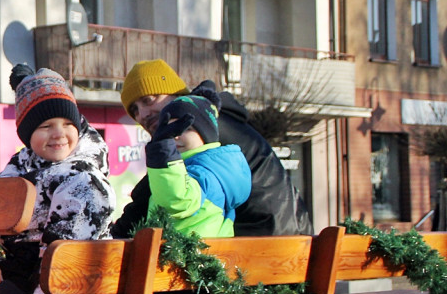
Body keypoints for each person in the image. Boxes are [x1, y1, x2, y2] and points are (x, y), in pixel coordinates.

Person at [0, 64, 115, 294]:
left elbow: (65, 265)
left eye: (67, 124)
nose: (59, 134)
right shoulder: (23, 166)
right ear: (28, 136)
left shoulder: (83, 182)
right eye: (45, 126)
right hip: (22, 282)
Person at [111, 59, 312, 239]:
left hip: (261, 244)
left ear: (176, 94)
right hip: (290, 238)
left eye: (149, 100)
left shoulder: (203, 128)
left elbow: (160, 189)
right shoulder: (216, 120)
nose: (143, 114)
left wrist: (113, 237)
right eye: (135, 110)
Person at [145, 86, 251, 238]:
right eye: (169, 130)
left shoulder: (203, 173)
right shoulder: (214, 169)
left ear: (205, 132)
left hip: (183, 258)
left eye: (185, 128)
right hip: (200, 256)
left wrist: (162, 150)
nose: (174, 136)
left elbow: (178, 200)